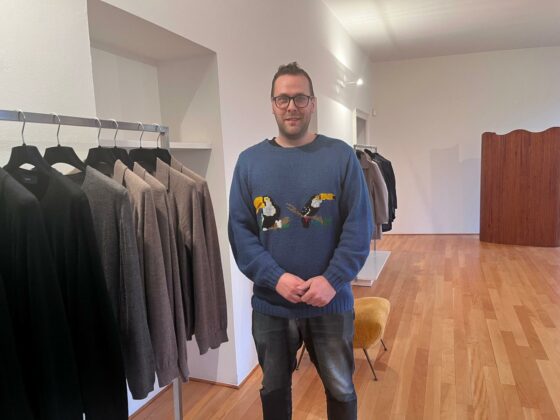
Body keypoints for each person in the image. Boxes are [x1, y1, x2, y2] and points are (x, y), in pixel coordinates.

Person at [228, 62, 373, 420]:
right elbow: (241, 233)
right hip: (271, 305)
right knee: (274, 391)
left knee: (341, 390)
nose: (291, 106)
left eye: (300, 98)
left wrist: (332, 280)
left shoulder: (340, 156)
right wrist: (275, 278)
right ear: (272, 104)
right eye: (283, 98)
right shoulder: (249, 162)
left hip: (331, 303)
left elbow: (358, 227)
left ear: (313, 103)